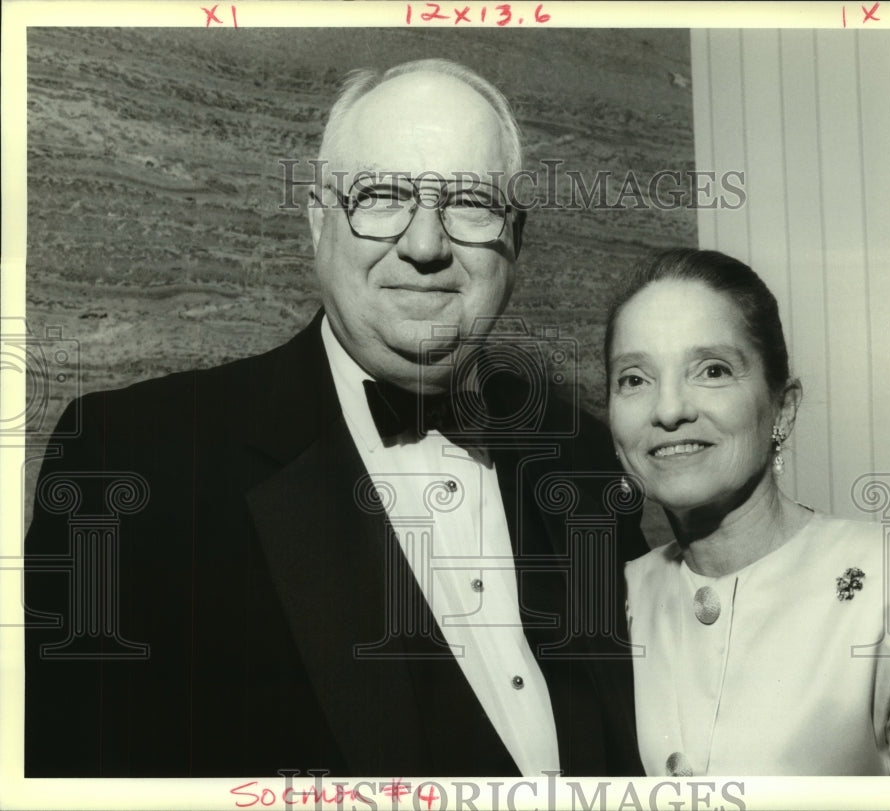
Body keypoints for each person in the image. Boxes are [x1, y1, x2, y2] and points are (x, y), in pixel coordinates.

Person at [24, 58, 647, 777]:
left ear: (517, 240)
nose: (425, 245)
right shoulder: (131, 463)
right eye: (381, 196)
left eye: (471, 201)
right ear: (318, 219)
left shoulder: (591, 459)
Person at [605, 247, 890, 776]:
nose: (668, 410)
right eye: (634, 379)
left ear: (783, 406)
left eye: (711, 370)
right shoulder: (606, 605)